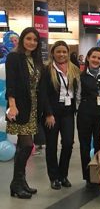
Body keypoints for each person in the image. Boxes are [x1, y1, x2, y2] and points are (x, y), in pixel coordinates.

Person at [5, 27, 43, 199]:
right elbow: (11, 83)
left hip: (33, 106)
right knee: (26, 145)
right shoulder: (14, 57)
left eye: (35, 40)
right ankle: (16, 182)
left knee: (25, 146)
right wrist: (12, 105)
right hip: (19, 105)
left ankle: (20, 182)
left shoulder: (34, 59)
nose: (32, 42)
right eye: (28, 39)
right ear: (22, 40)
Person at [41, 41, 81, 190]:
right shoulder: (47, 70)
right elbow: (43, 94)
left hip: (68, 112)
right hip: (52, 113)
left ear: (68, 53)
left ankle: (63, 175)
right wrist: (48, 113)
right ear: (53, 53)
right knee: (51, 145)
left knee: (68, 143)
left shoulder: (74, 69)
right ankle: (54, 177)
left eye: (64, 51)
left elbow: (76, 91)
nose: (62, 54)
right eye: (58, 51)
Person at [77, 47, 100, 188]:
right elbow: (77, 96)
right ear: (88, 58)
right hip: (85, 115)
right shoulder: (80, 76)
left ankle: (98, 174)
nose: (96, 60)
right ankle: (87, 176)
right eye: (93, 57)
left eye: (99, 58)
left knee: (99, 145)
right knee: (84, 146)